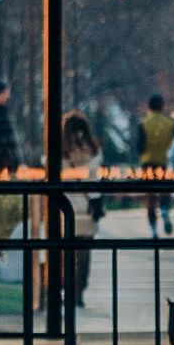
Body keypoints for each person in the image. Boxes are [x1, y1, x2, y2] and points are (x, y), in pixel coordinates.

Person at [60, 110, 104, 308]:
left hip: (64, 206)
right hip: (86, 207)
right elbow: (94, 180)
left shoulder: (60, 150)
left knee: (64, 252)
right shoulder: (93, 150)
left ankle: (65, 289)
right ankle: (79, 291)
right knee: (83, 254)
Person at [134, 94, 174, 236]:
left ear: (149, 106)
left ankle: (153, 231)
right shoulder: (170, 124)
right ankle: (165, 209)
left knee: (151, 197)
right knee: (165, 191)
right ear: (162, 106)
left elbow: (139, 147)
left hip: (148, 164)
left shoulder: (143, 123)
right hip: (165, 164)